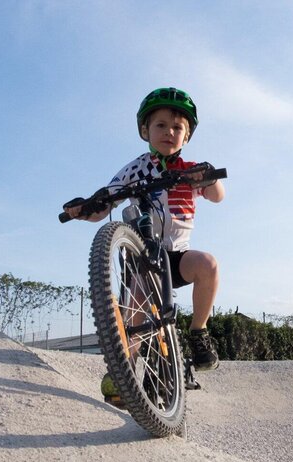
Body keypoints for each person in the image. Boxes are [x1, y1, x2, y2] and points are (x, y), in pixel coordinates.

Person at [63, 87, 225, 404]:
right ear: (145, 131)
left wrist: (207, 177)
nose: (169, 132)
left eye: (178, 128)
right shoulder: (136, 169)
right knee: (133, 310)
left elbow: (218, 195)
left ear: (187, 136)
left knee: (208, 265)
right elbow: (106, 200)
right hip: (141, 256)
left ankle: (199, 333)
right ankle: (124, 368)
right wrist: (84, 209)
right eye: (161, 125)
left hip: (176, 257)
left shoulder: (189, 170)